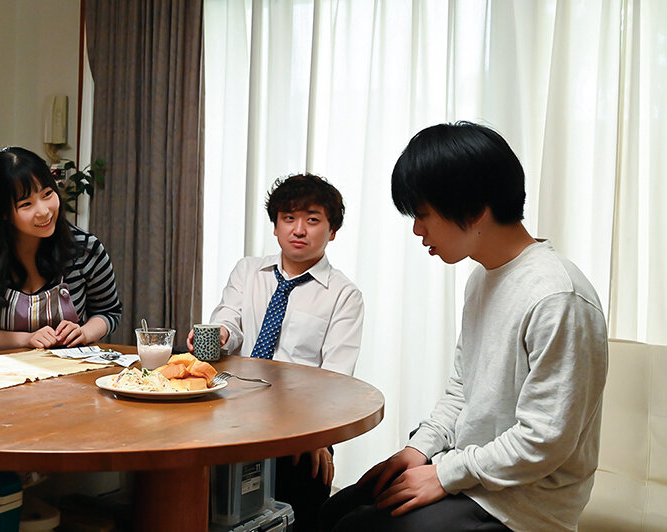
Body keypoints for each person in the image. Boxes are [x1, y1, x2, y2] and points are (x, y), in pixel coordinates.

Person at [321, 122, 608, 532]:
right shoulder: (482, 278)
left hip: (522, 507)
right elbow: (463, 390)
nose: (418, 230)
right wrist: (420, 449)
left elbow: (544, 441)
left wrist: (444, 474)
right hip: (472, 477)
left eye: (423, 215)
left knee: (358, 528)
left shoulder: (557, 297)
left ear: (474, 210)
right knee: (334, 512)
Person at [189, 173, 364, 531]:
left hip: (302, 426)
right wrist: (221, 333)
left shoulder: (344, 294)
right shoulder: (248, 271)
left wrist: (317, 436)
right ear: (275, 226)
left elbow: (336, 378)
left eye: (312, 220)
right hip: (235, 412)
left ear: (332, 231)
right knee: (210, 504)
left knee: (301, 502)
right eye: (288, 218)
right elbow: (229, 319)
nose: (298, 230)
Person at [0, 146, 122, 356]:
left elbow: (109, 311)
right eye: (26, 204)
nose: (43, 211)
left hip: (62, 367)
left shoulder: (86, 250)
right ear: (3, 212)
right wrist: (27, 339)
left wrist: (84, 333)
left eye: (47, 194)